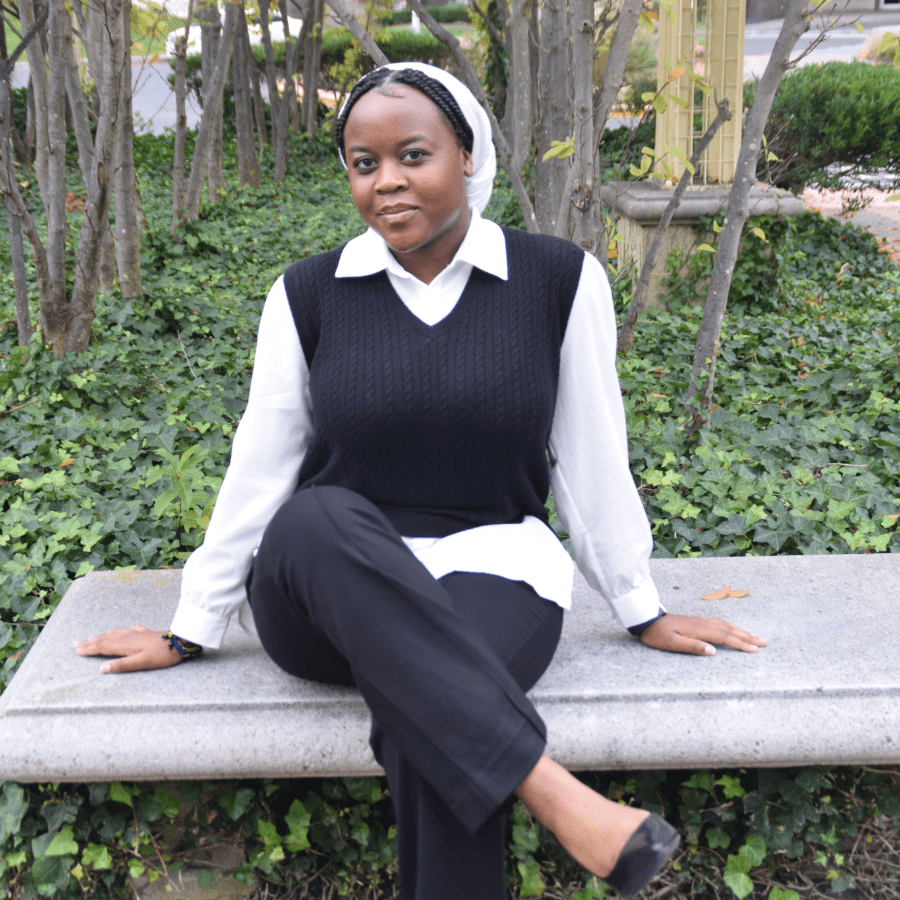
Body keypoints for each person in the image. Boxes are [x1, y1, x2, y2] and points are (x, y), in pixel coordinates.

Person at [74, 63, 766, 900]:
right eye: (364, 165)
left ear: (468, 157)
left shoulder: (557, 281)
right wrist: (191, 624)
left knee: (428, 715)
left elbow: (590, 456)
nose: (387, 182)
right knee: (317, 516)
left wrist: (637, 604)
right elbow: (260, 469)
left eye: (412, 154)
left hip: (495, 571)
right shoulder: (308, 294)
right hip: (325, 588)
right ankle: (557, 795)